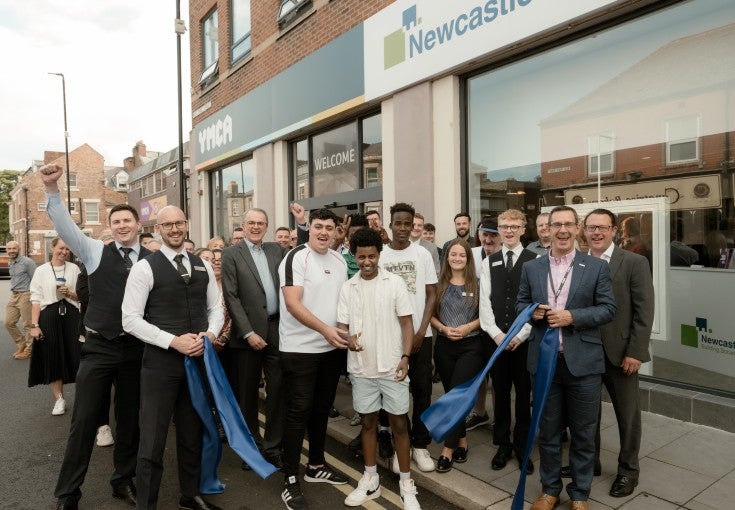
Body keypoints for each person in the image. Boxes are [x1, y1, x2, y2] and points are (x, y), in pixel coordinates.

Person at [40, 163, 151, 510]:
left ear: (138, 225)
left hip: (137, 350)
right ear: (110, 227)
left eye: (127, 221)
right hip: (100, 348)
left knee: (130, 421)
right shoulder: (94, 251)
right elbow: (64, 226)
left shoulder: (152, 259)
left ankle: (123, 481)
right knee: (84, 420)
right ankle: (68, 493)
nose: (122, 225)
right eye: (116, 221)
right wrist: (51, 189)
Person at [122, 205, 224, 510]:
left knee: (192, 432)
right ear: (158, 228)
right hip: (160, 364)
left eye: (179, 223)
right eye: (168, 225)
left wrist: (209, 335)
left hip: (197, 361)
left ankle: (189, 494)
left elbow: (216, 309)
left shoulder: (202, 266)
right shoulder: (145, 267)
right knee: (152, 439)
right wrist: (172, 341)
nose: (175, 229)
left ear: (187, 224)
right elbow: (130, 319)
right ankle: (147, 504)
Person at [517, 205, 616, 510]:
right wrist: (533, 312)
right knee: (548, 431)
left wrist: (573, 316)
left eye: (567, 224)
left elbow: (608, 309)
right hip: (545, 362)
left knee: (584, 433)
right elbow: (522, 303)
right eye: (555, 224)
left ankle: (580, 494)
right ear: (545, 229)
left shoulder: (596, 267)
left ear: (577, 229)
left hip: (583, 364)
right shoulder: (531, 267)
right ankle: (549, 490)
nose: (561, 229)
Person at [337, 228, 421, 509]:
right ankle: (370, 478)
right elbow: (342, 328)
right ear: (355, 256)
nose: (367, 262)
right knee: (368, 423)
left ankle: (407, 484)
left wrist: (406, 357)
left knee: (399, 423)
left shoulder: (394, 283)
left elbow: (407, 323)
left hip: (392, 367)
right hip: (362, 369)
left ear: (379, 254)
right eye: (361, 257)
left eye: (372, 255)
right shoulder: (348, 287)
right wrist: (349, 340)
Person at [277, 208, 350, 510]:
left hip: (330, 349)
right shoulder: (296, 257)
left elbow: (342, 302)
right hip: (300, 349)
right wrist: (326, 330)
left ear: (336, 232)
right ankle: (290, 479)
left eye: (329, 228)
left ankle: (316, 464)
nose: (323, 232)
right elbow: (293, 303)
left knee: (321, 410)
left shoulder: (338, 259)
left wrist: (343, 332)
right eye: (318, 226)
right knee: (298, 412)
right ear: (311, 228)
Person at [582, 209, 654, 498]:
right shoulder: (578, 262)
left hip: (621, 354)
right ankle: (590, 463)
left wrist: (636, 352)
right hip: (585, 354)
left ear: (614, 230)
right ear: (583, 231)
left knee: (628, 417)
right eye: (591, 228)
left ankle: (628, 471)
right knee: (587, 415)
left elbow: (644, 311)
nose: (596, 233)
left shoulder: (634, 262)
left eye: (602, 227)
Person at [222, 208, 287, 471]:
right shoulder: (231, 254)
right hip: (247, 336)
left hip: (276, 329)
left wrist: (304, 224)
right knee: (247, 395)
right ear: (244, 226)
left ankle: (272, 446)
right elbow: (231, 296)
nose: (256, 227)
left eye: (261, 223)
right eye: (251, 223)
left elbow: (301, 254)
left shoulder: (276, 250)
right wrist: (248, 333)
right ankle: (251, 448)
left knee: (278, 391)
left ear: (267, 226)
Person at [381, 203, 437, 474]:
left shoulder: (423, 254)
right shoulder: (380, 255)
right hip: (391, 338)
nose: (403, 228)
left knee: (423, 392)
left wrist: (420, 330)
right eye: (398, 223)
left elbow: (431, 295)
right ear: (390, 224)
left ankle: (420, 445)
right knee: (395, 394)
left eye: (408, 224)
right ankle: (399, 444)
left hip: (420, 336)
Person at [480, 209, 537, 474]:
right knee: (500, 394)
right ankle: (503, 444)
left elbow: (538, 304)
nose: (509, 230)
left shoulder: (536, 260)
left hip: (524, 343)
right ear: (498, 230)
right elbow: (485, 305)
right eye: (504, 226)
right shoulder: (488, 262)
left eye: (514, 226)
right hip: (497, 341)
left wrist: (520, 334)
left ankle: (522, 446)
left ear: (524, 229)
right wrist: (497, 335)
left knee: (523, 396)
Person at [430, 239, 483, 474]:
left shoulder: (478, 284)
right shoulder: (438, 284)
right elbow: (429, 315)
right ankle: (462, 439)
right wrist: (442, 329)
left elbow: (486, 317)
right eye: (453, 254)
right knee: (452, 394)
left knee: (458, 397)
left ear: (468, 258)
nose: (458, 258)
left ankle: (448, 449)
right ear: (447, 257)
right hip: (443, 346)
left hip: (471, 346)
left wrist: (468, 328)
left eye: (462, 255)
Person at [28, 237, 81, 416]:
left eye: (67, 249)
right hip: (49, 316)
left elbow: (82, 297)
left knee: (79, 355)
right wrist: (35, 325)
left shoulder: (74, 269)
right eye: (61, 248)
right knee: (53, 356)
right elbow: (36, 300)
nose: (64, 252)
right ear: (52, 248)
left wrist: (71, 293)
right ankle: (59, 400)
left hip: (72, 316)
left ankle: (85, 399)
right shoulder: (41, 271)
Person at [465, 217, 501, 431]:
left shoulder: (507, 258)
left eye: (493, 235)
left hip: (498, 327)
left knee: (498, 376)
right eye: (484, 234)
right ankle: (479, 412)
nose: (488, 239)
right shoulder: (471, 257)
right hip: (474, 325)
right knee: (478, 374)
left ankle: (499, 417)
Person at [5, 240, 36, 360]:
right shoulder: (10, 262)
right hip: (14, 295)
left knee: (28, 324)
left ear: (19, 249)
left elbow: (35, 279)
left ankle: (29, 350)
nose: (11, 251)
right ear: (7, 250)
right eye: (9, 249)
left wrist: (34, 297)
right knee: (8, 322)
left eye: (14, 248)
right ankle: (22, 344)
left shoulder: (28, 262)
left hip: (26, 294)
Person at [410, 212, 441, 277]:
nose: (416, 228)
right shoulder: (400, 245)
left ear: (423, 227)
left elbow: (437, 272)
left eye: (419, 225)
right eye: (413, 224)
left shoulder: (432, 247)